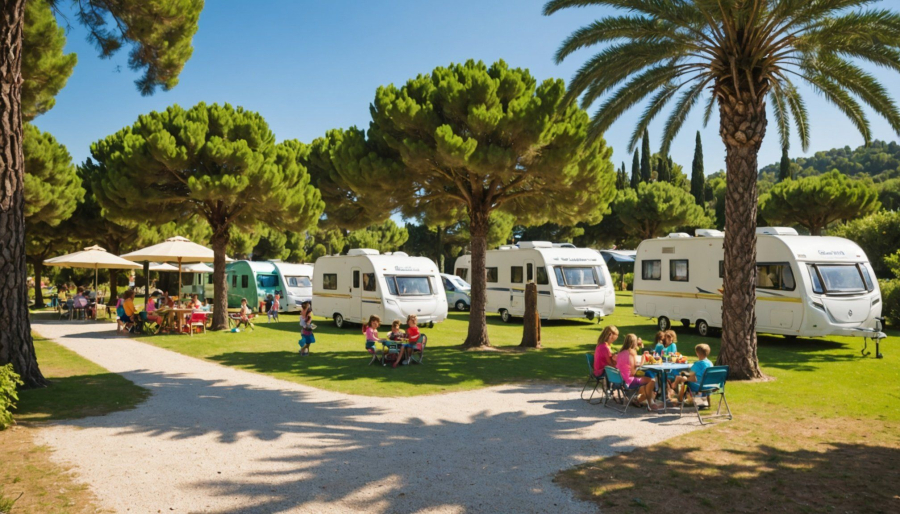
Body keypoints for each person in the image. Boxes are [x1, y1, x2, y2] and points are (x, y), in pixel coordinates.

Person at [616, 333, 660, 409]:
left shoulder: (621, 352)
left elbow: (629, 366)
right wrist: (643, 359)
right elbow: (633, 372)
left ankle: (639, 400)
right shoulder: (632, 352)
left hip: (622, 379)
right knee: (651, 380)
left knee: (647, 376)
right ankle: (650, 402)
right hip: (629, 381)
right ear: (633, 343)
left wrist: (639, 366)